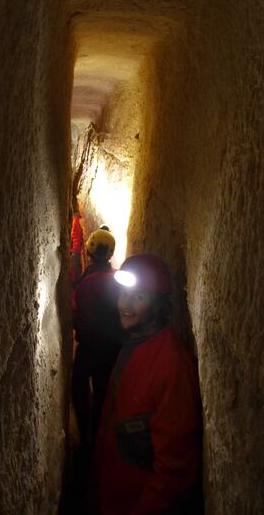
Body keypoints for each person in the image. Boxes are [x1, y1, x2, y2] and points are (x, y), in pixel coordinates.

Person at [92, 254, 202, 515]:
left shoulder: (170, 366)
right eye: (123, 294)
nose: (125, 304)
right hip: (111, 496)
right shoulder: (134, 344)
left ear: (159, 306)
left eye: (138, 296)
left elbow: (174, 471)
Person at [72, 229, 121, 450]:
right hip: (111, 348)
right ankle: (100, 441)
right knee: (103, 394)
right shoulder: (117, 279)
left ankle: (85, 439)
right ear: (110, 255)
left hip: (88, 347)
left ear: (89, 252)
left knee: (79, 389)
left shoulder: (84, 283)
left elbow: (75, 312)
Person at [70, 209, 85, 289]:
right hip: (77, 250)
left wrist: (74, 250)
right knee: (76, 268)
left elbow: (76, 237)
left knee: (75, 267)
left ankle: (74, 282)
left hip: (76, 250)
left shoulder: (76, 221)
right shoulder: (78, 221)